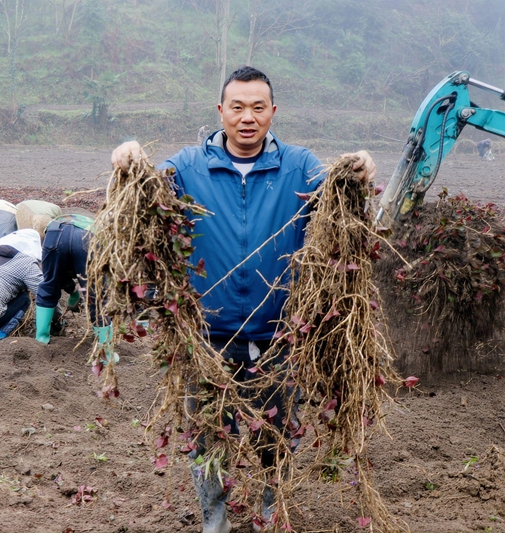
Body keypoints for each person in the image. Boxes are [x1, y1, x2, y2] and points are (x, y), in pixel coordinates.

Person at [111, 66, 376, 533]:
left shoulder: (300, 166)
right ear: (221, 111)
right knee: (208, 438)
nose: (247, 117)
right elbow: (147, 191)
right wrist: (128, 156)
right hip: (207, 339)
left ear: (272, 112)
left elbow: (343, 203)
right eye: (237, 107)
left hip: (280, 338)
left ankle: (272, 517)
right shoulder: (188, 167)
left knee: (277, 436)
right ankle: (215, 522)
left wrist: (358, 169)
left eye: (258, 107)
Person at [34, 213, 117, 361]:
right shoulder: (101, 231)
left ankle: (41, 340)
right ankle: (106, 354)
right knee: (96, 295)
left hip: (54, 233)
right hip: (88, 238)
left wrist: (73, 293)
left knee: (49, 285)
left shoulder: (59, 221)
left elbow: (60, 274)